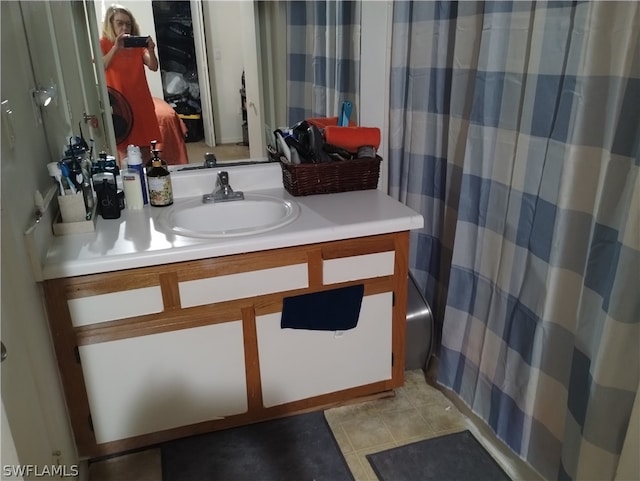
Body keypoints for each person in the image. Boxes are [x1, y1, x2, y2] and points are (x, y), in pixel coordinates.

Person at [100, 4, 161, 163]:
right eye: (120, 23)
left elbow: (153, 66)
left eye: (128, 23)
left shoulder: (136, 47)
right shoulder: (103, 44)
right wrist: (116, 48)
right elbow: (101, 66)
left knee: (147, 149)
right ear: (110, 24)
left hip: (142, 104)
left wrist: (152, 50)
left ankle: (148, 182)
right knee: (124, 152)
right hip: (120, 106)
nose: (125, 27)